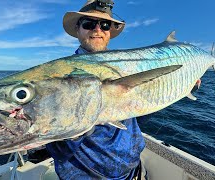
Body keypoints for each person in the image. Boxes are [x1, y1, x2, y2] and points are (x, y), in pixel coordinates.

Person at [45, 0, 147, 179]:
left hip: (134, 171)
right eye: (89, 24)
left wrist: (181, 85)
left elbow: (139, 113)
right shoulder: (63, 77)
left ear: (109, 32)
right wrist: (80, 126)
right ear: (78, 29)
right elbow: (58, 151)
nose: (97, 29)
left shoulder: (127, 67)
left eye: (105, 24)